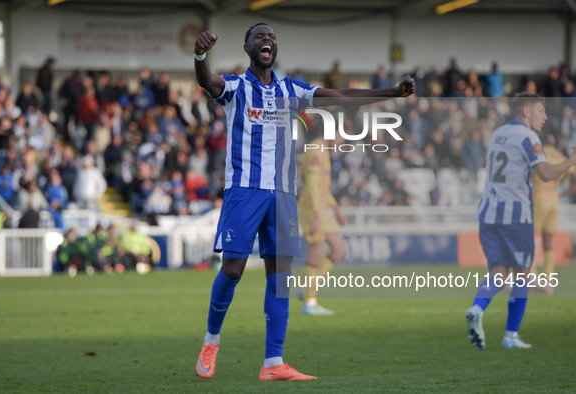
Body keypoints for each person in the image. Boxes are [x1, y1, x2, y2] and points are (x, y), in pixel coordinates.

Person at [193, 22, 415, 381]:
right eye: (260, 37)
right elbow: (207, 81)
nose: (268, 41)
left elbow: (340, 96)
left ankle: (273, 363)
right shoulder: (236, 87)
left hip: (282, 194)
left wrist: (392, 91)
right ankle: (211, 339)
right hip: (245, 191)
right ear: (248, 47)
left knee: (280, 278)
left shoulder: (291, 89)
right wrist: (200, 55)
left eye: (272, 38)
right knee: (232, 270)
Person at [467, 93, 576, 350]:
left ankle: (476, 308)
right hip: (516, 215)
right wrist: (571, 161)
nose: (545, 116)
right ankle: (510, 336)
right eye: (541, 110)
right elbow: (546, 173)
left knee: (499, 271)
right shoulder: (528, 137)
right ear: (526, 112)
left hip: (488, 213)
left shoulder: (496, 134)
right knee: (522, 275)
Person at [298, 134, 347, 315]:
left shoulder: (324, 150)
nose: (342, 140)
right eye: (340, 135)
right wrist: (317, 216)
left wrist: (336, 209)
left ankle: (307, 289)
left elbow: (321, 187)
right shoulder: (316, 149)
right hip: (311, 208)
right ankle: (309, 304)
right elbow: (310, 185)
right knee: (316, 253)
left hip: (322, 208)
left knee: (339, 250)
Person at [530, 135, 576, 294]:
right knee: (548, 240)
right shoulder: (561, 156)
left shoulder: (538, 154)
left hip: (539, 195)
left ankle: (532, 277)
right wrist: (563, 194)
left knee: (529, 235)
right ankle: (548, 281)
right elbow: (574, 178)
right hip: (554, 198)